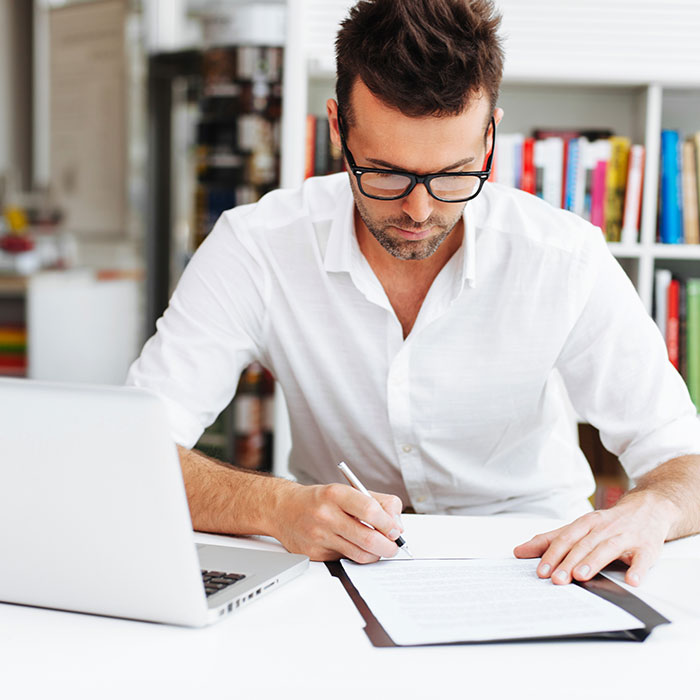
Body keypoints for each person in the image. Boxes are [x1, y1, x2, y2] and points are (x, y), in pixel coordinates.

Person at [127, 0, 700, 585]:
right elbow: (133, 451)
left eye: (454, 174)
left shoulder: (564, 256)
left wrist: (650, 508)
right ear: (336, 129)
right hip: (342, 571)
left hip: (536, 565)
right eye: (385, 172)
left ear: (490, 137)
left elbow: (685, 457)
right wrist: (275, 507)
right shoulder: (257, 247)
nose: (418, 210)